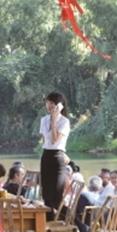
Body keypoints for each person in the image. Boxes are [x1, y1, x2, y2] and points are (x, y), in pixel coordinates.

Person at [39, 91, 70, 220]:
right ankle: (50, 229)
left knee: (57, 200)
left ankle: (80, 225)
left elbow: (54, 140)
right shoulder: (44, 120)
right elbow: (44, 140)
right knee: (47, 198)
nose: (49, 105)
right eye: (47, 102)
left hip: (57, 158)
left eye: (52, 103)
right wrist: (51, 121)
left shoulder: (64, 122)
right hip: (46, 156)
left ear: (59, 105)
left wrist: (55, 120)